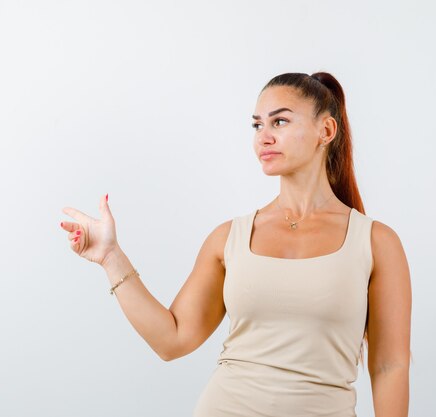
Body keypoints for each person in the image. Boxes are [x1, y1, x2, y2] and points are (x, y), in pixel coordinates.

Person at [60, 71, 412, 417]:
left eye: (280, 122)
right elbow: (173, 340)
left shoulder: (376, 242)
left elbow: (389, 367)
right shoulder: (229, 238)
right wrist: (110, 256)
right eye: (257, 125)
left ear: (326, 130)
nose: (264, 137)